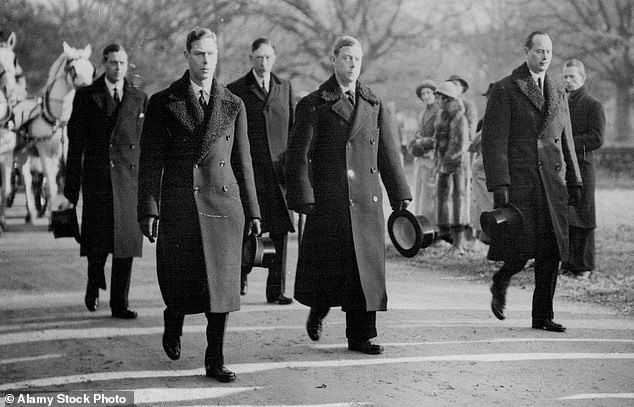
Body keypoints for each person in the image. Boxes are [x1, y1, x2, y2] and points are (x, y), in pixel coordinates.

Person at [137, 27, 261, 382]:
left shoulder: (233, 104)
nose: (206, 61)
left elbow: (243, 161)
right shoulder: (163, 102)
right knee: (181, 281)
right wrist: (149, 208)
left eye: (211, 54)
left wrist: (253, 211)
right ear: (187, 56)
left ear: (218, 56)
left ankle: (214, 359)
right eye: (198, 54)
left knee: (221, 288)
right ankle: (173, 318)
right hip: (181, 205)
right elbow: (150, 162)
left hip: (223, 205)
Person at [286, 35, 411, 355]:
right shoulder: (314, 104)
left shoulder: (374, 103)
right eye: (346, 58)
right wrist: (303, 195)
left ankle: (361, 336)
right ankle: (319, 308)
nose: (352, 64)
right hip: (330, 200)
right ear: (334, 60)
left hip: (367, 200)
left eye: (357, 58)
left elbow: (388, 154)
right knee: (330, 268)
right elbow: (298, 155)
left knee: (365, 270)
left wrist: (399, 193)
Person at [482, 31, 582, 332]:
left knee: (552, 248)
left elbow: (567, 138)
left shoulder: (557, 89)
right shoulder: (505, 89)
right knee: (522, 246)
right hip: (521, 182)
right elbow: (494, 142)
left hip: (552, 183)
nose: (545, 57)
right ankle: (502, 279)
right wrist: (499, 185)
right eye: (539, 51)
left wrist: (574, 178)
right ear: (527, 51)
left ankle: (542, 316)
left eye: (549, 52)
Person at [65, 43, 147, 319]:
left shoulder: (138, 98)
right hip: (98, 180)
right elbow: (75, 146)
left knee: (125, 244)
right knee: (98, 243)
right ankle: (93, 282)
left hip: (128, 181)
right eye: (113, 63)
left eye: (123, 63)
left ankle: (119, 303)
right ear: (104, 63)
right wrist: (70, 191)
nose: (118, 68)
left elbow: (144, 144)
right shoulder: (87, 96)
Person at [227, 38, 294, 304]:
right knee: (246, 227)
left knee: (279, 231)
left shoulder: (284, 87)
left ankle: (275, 290)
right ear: (250, 58)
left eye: (267, 58)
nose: (263, 63)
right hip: (250, 173)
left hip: (279, 175)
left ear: (274, 58)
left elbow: (293, 130)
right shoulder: (236, 90)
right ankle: (240, 274)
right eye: (258, 58)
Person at [561, 59, 605, 279]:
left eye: (573, 77)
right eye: (565, 77)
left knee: (584, 215)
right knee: (567, 214)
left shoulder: (593, 105)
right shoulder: (561, 104)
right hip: (565, 168)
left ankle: (584, 266)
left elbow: (597, 138)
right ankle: (568, 263)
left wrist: (569, 142)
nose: (568, 81)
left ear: (583, 78)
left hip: (584, 168)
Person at [433, 81, 470, 253]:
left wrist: (445, 164)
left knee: (457, 201)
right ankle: (446, 238)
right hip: (444, 164)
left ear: (447, 99)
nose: (437, 100)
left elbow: (458, 146)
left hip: (456, 166)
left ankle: (458, 243)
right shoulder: (442, 115)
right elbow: (438, 140)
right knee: (444, 200)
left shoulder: (459, 118)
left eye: (439, 97)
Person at [409, 80, 439, 223]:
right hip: (422, 158)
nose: (426, 96)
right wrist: (416, 140)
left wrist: (422, 141)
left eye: (428, 93)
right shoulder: (422, 114)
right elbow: (419, 133)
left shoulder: (439, 112)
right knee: (421, 192)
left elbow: (438, 137)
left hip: (433, 156)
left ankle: (433, 226)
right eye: (423, 94)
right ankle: (422, 224)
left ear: (434, 94)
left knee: (431, 193)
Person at [469, 84, 495, 245]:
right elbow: (473, 146)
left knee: (489, 203)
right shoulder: (484, 119)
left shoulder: (501, 118)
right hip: (480, 167)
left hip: (491, 168)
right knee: (480, 203)